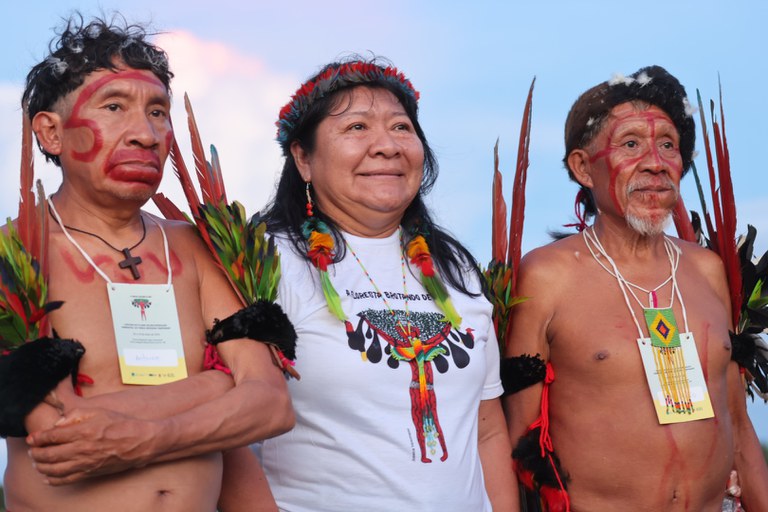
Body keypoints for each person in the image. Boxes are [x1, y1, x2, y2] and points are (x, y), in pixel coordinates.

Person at [2, 15, 294, 512]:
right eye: (114, 107)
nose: (145, 133)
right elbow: (60, 437)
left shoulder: (194, 247)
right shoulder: (16, 254)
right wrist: (219, 383)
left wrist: (146, 436)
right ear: (50, 133)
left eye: (158, 112)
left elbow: (271, 404)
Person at [256, 58, 518, 511]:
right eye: (356, 127)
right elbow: (232, 439)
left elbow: (487, 429)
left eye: (401, 127)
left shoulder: (454, 269)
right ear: (303, 157)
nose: (387, 146)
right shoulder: (267, 263)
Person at [503, 65, 768, 511]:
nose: (655, 162)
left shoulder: (706, 271)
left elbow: (738, 428)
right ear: (583, 167)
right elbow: (517, 440)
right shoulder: (548, 276)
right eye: (631, 144)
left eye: (669, 145)